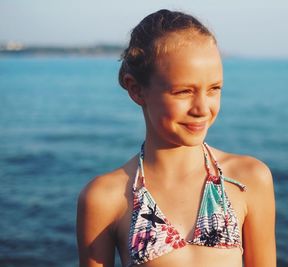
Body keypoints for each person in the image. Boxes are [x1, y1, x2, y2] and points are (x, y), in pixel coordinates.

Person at [76, 9, 276, 267]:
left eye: (214, 89)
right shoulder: (104, 198)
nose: (202, 109)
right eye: (184, 91)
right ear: (137, 90)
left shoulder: (248, 180)